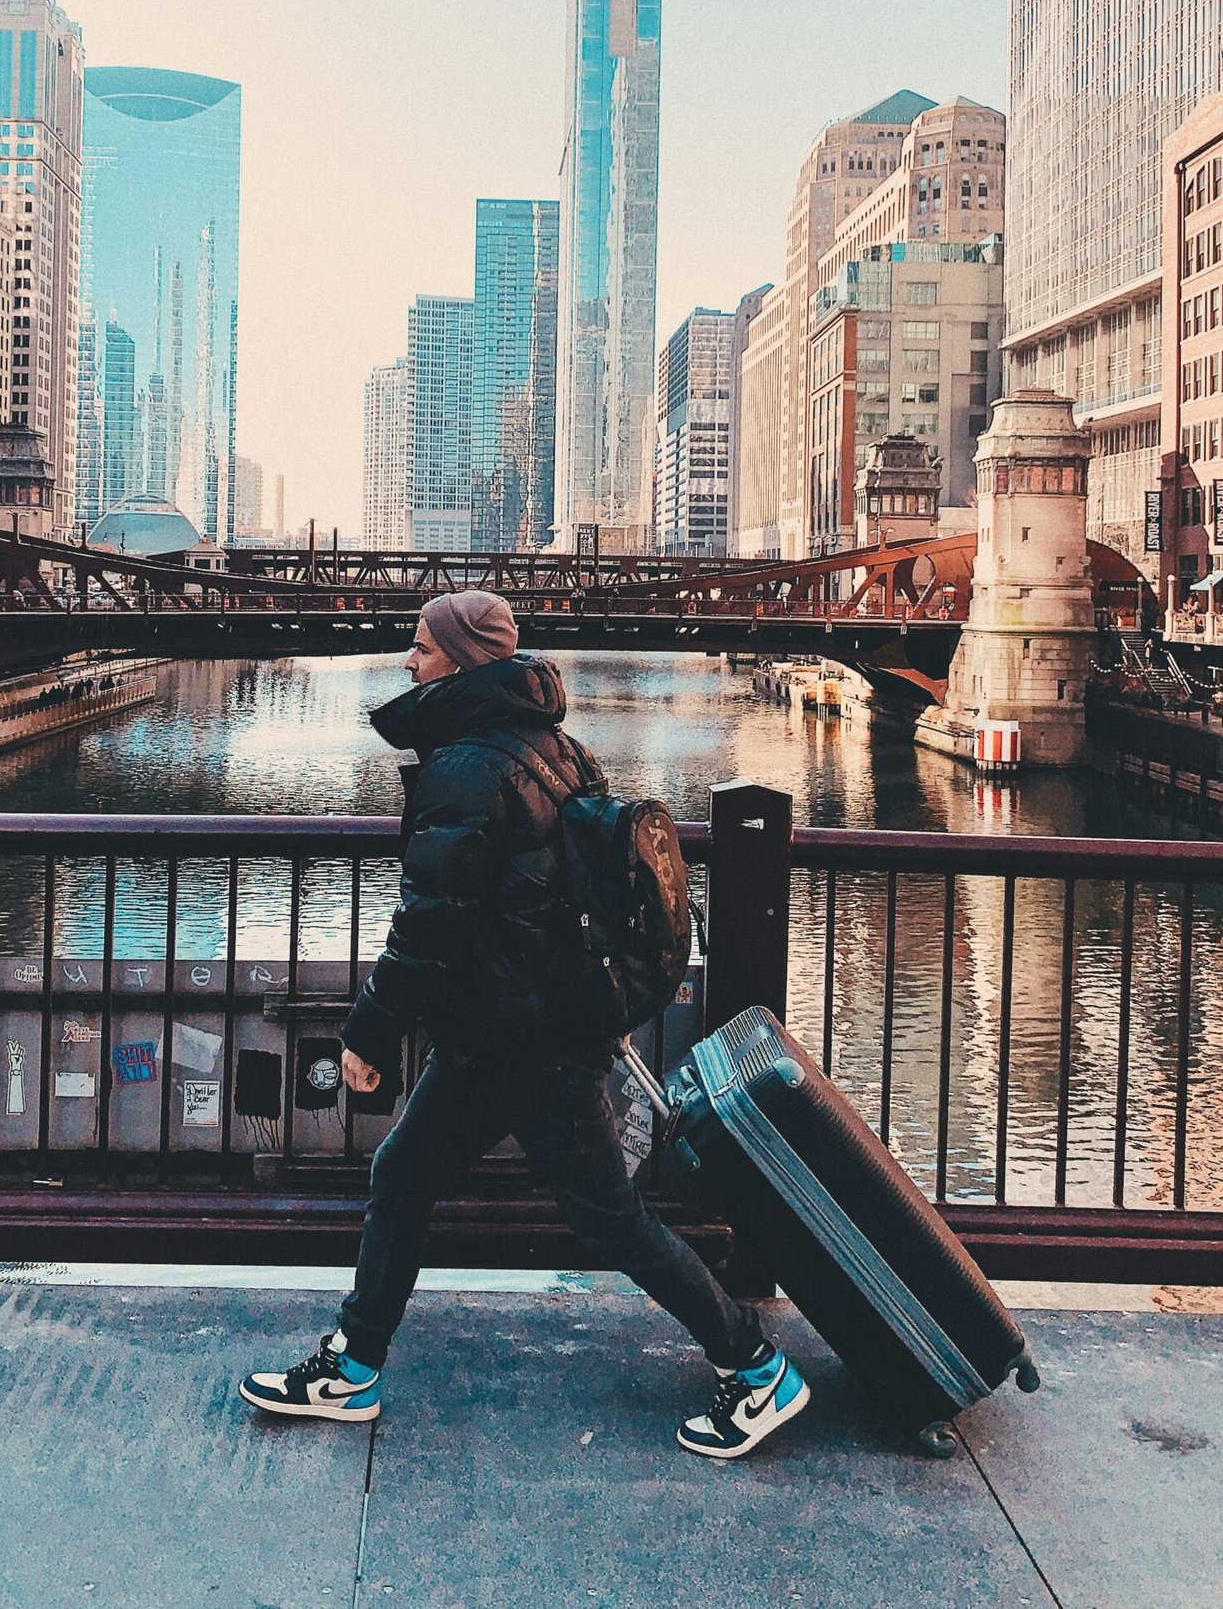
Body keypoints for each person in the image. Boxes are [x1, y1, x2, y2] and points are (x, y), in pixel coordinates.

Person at [241, 589, 809, 1461]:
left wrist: (367, 1031)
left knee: (609, 1219)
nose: (409, 662)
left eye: (422, 650)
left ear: (463, 663)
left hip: (525, 1041)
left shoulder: (468, 766)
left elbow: (430, 920)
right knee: (404, 1175)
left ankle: (759, 1367)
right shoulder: (558, 749)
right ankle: (354, 1366)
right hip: (513, 1033)